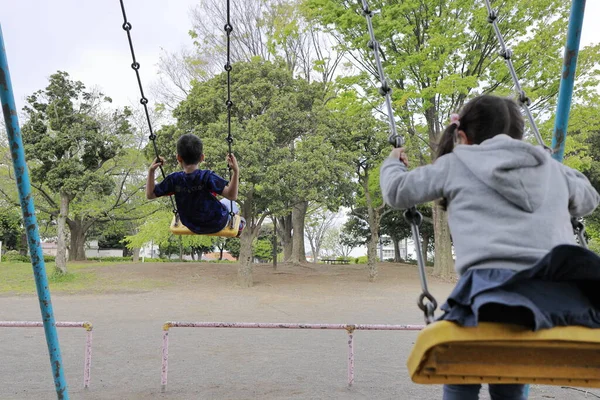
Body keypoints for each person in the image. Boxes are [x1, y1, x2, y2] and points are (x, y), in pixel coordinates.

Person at [379, 94, 600, 400]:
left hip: (489, 296)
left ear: (463, 137)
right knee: (510, 372)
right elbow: (589, 199)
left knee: (461, 371)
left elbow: (396, 191)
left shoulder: (455, 163)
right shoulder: (552, 169)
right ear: (520, 138)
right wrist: (552, 164)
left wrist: (392, 164)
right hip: (559, 297)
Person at [146, 133, 246, 237]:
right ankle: (239, 225)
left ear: (178, 158)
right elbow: (232, 196)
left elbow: (150, 194)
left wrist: (151, 171)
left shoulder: (173, 179)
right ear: (202, 157)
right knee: (229, 203)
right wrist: (236, 171)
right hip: (217, 223)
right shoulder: (208, 176)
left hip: (192, 225)